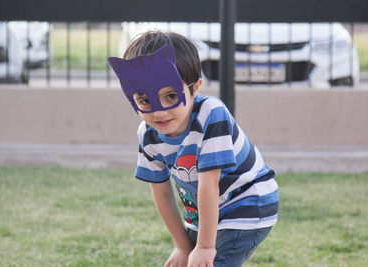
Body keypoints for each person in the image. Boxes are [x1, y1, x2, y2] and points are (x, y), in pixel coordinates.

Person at [108, 30, 279, 267]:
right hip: (204, 213)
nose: (159, 111)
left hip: (247, 203)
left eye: (170, 96)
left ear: (195, 88)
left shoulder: (211, 114)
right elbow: (161, 191)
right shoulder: (147, 134)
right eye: (145, 100)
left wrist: (205, 247)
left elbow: (208, 183)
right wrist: (183, 245)